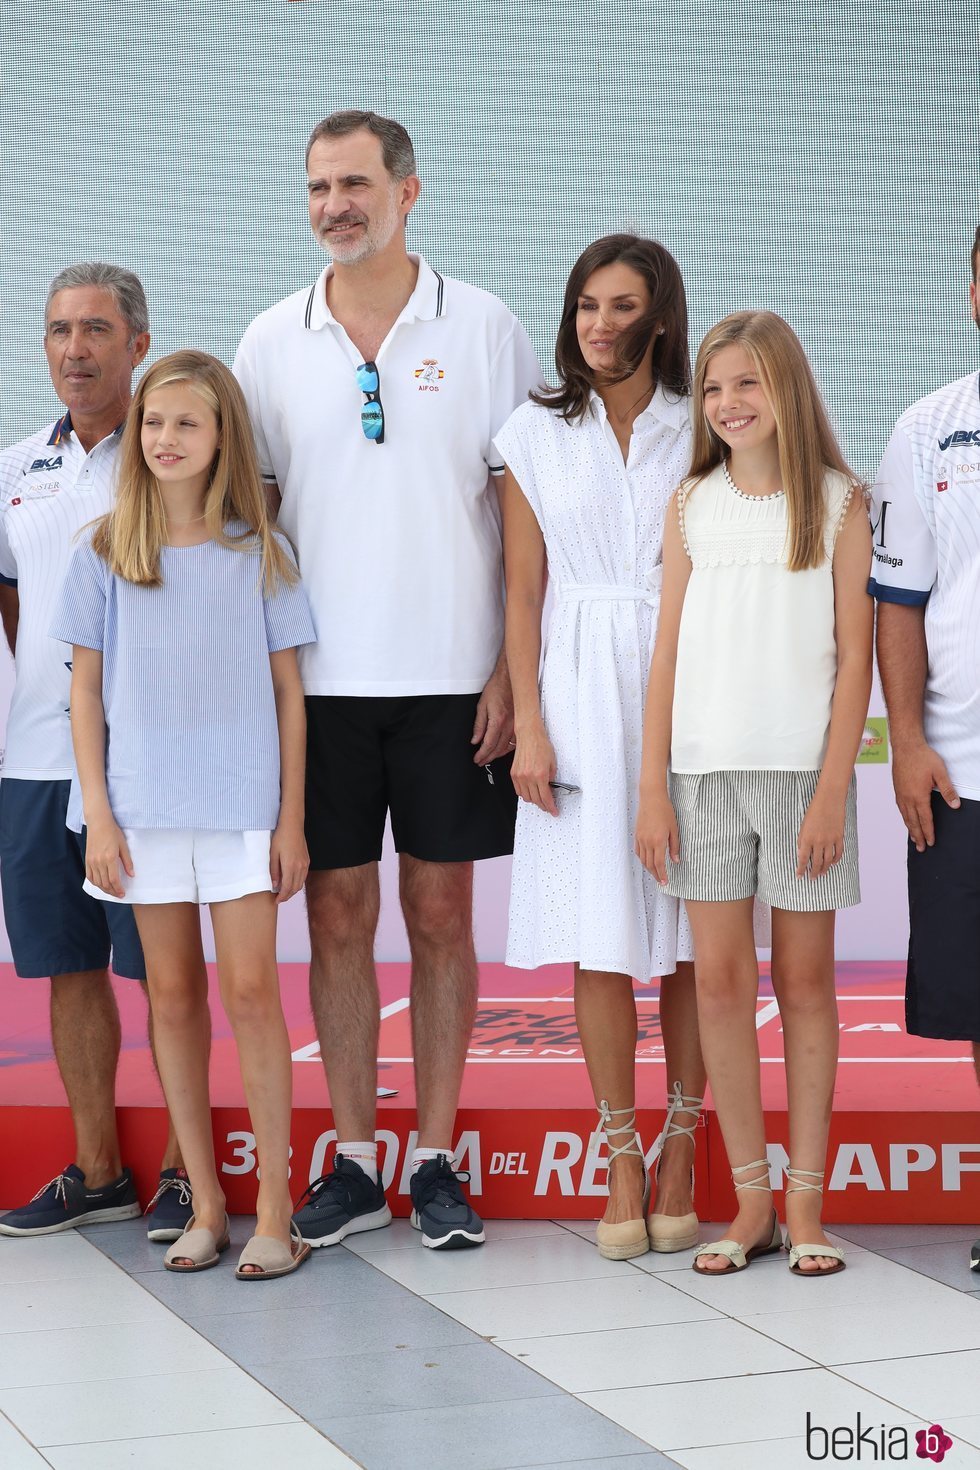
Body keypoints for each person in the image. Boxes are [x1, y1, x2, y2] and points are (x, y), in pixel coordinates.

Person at [234, 110, 540, 1251]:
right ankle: (357, 1160)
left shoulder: (486, 328)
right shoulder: (269, 339)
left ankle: (438, 1156)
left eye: (354, 184)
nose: (333, 206)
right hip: (317, 689)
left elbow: (522, 513)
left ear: (409, 191)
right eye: (317, 187)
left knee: (442, 912)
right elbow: (250, 523)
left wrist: (515, 670)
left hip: (455, 677)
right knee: (338, 912)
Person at [52, 350, 316, 1278]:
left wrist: (290, 821)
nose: (165, 439)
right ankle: (204, 1204)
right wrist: (103, 816)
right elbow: (84, 696)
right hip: (145, 813)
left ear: (221, 440)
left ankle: (277, 1211)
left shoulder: (260, 554)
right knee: (172, 997)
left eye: (187, 425)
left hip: (243, 809)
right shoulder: (103, 551)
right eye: (155, 423)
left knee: (250, 995)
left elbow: (291, 697)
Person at [637, 310, 872, 1276]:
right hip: (701, 780)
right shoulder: (691, 505)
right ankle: (749, 1206)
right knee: (722, 989)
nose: (730, 403)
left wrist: (830, 791)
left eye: (749, 384)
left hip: (802, 784)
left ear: (787, 390)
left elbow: (856, 663)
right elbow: (667, 657)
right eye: (716, 386)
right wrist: (652, 788)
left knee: (805, 988)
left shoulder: (841, 503)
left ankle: (808, 1208)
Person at [497, 234, 705, 1260]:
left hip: (685, 680)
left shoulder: (700, 421)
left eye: (620, 306)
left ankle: (680, 1143)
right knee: (596, 931)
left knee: (686, 931)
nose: (597, 324)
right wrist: (529, 721)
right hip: (574, 687)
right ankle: (618, 1150)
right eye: (585, 304)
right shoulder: (534, 431)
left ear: (659, 317)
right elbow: (521, 588)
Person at [0, 264, 195, 1241]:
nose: (73, 349)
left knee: (163, 975)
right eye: (57, 331)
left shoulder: (165, 457)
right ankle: (98, 1170)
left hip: (144, 766)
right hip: (34, 765)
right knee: (67, 969)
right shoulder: (13, 467)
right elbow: (14, 608)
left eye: (94, 330)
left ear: (137, 344)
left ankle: (187, 1176)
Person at [870, 225, 980, 1275]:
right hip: (960, 770)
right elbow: (895, 604)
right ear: (971, 290)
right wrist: (904, 742)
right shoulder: (928, 428)